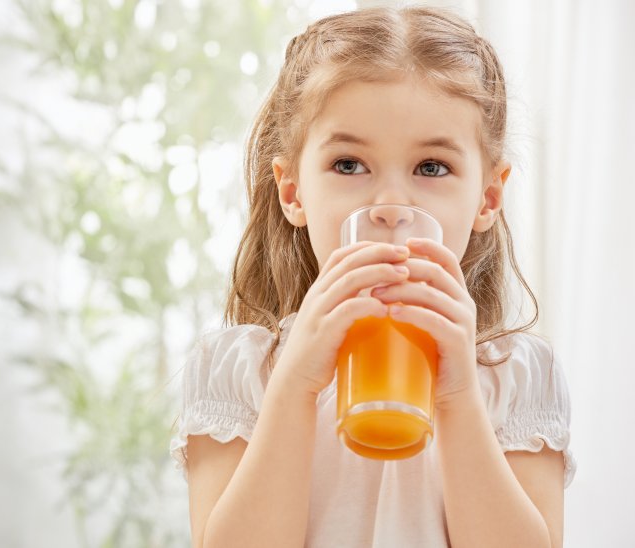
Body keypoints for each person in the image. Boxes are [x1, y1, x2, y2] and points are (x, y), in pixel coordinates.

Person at [169, 5, 575, 547]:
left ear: (488, 197)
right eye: (348, 165)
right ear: (292, 192)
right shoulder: (240, 373)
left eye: (431, 168)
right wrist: (294, 384)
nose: (389, 206)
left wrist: (457, 395)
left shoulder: (518, 378)